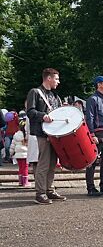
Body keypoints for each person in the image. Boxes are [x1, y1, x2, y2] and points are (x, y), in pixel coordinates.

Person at [26, 68, 66, 204]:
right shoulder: (35, 92)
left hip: (54, 134)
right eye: (56, 79)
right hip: (42, 134)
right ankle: (40, 193)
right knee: (43, 163)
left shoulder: (55, 96)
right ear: (48, 78)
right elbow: (30, 112)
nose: (58, 82)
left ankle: (49, 190)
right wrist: (43, 116)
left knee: (52, 164)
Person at [10, 120, 31, 187]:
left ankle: (20, 182)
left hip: (18, 155)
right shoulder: (27, 136)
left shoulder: (15, 135)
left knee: (20, 168)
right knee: (25, 168)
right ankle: (25, 182)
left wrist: (11, 153)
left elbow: (12, 145)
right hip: (25, 155)